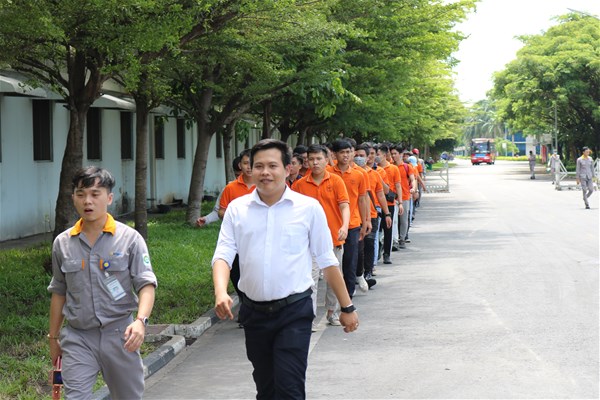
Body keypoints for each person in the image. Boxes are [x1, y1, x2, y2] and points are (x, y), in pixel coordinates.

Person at [212, 139, 359, 399]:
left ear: (288, 168)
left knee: (289, 388)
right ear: (250, 169)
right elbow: (223, 254)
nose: (265, 172)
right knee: (266, 388)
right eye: (259, 166)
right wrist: (220, 292)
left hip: (294, 310)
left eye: (272, 166)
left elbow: (327, 261)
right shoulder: (237, 209)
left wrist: (347, 307)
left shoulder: (308, 209)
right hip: (254, 313)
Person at [47, 166, 157, 399]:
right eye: (81, 194)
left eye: (95, 194)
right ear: (73, 198)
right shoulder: (62, 243)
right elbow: (59, 291)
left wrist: (141, 321)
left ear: (109, 198)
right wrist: (53, 338)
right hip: (78, 338)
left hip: (120, 335)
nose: (87, 201)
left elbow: (146, 284)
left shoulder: (130, 239)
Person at [292, 144, 350, 325]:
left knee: (334, 277)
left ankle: (332, 311)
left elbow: (344, 205)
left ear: (327, 160)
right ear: (307, 162)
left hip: (333, 238)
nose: (315, 162)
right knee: (311, 279)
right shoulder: (299, 185)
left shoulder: (336, 181)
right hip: (308, 241)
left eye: (319, 159)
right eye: (311, 159)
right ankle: (309, 317)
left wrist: (344, 226)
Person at [328, 139, 370, 297]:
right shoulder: (328, 173)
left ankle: (348, 296)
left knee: (350, 261)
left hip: (352, 224)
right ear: (335, 154)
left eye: (348, 152)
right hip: (332, 224)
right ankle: (336, 296)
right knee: (333, 263)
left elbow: (362, 199)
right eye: (342, 152)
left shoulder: (359, 174)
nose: (345, 155)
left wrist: (365, 222)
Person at [196, 155, 242, 227]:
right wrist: (206, 219)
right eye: (237, 175)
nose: (240, 178)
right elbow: (218, 211)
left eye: (243, 175)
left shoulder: (258, 188)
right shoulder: (229, 188)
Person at [376, 144, 403, 264]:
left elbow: (398, 185)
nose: (376, 157)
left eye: (378, 154)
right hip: (376, 203)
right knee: (377, 230)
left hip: (389, 203)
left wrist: (400, 202)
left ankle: (387, 253)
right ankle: (376, 251)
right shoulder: (373, 168)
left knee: (388, 229)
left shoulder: (393, 168)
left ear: (384, 155)